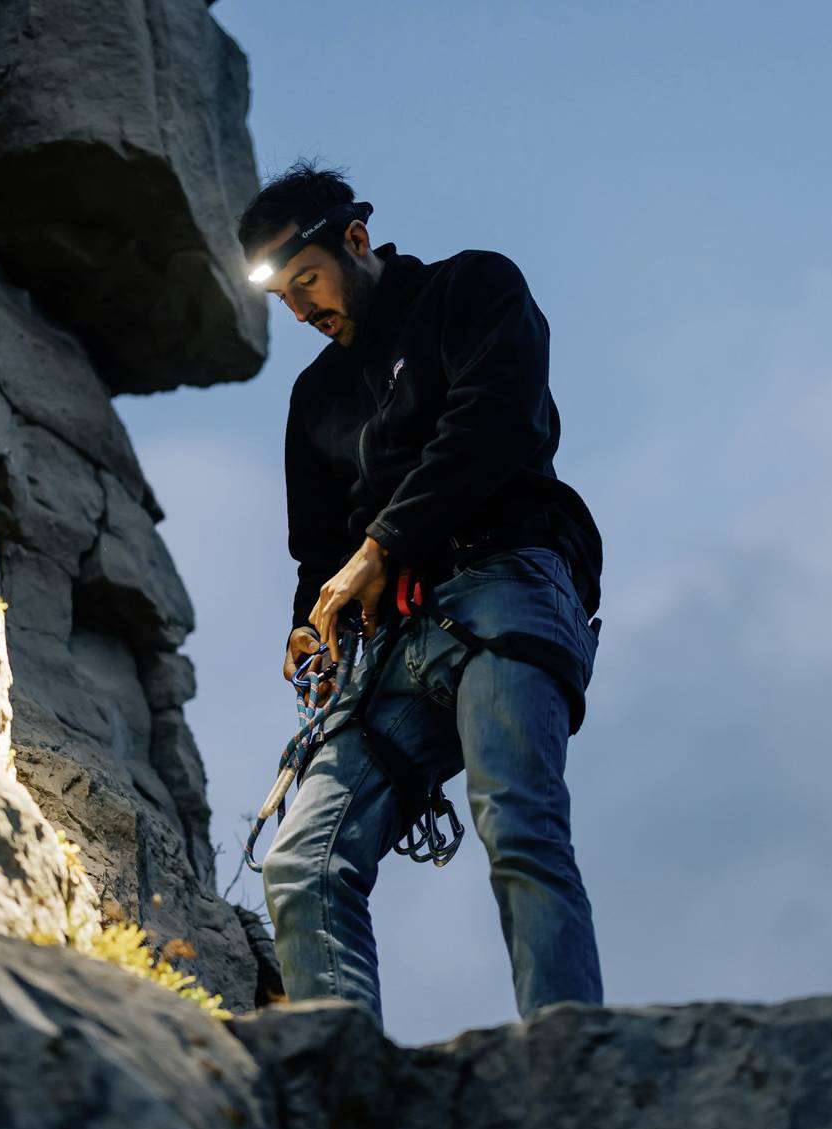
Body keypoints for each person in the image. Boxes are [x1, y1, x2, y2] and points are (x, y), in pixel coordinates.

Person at [239, 159, 605, 1026]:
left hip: (508, 584)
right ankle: (349, 1094)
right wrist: (307, 625)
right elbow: (316, 549)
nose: (301, 313)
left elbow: (493, 422)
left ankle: (567, 1053)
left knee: (517, 819)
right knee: (302, 863)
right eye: (283, 300)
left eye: (307, 283)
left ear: (354, 240)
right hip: (388, 652)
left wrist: (380, 547)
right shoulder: (315, 396)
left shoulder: (472, 287)